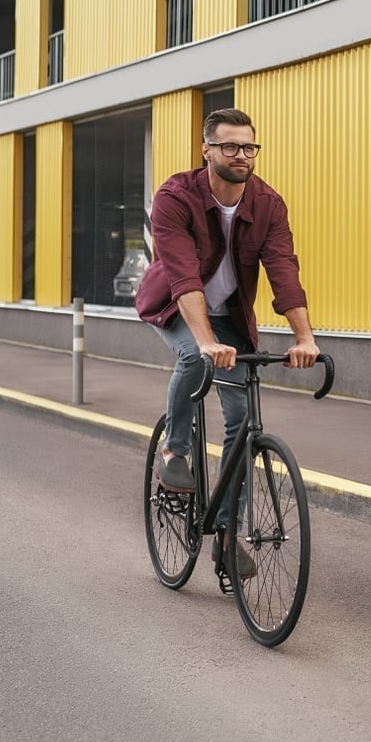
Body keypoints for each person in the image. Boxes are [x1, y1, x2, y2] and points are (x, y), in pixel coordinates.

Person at [135, 108, 320, 582]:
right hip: (176, 308)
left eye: (249, 147)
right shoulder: (175, 196)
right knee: (194, 362)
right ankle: (175, 453)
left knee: (241, 424)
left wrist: (305, 338)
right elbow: (182, 273)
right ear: (207, 150)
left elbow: (283, 269)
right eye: (231, 146)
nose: (242, 155)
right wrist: (203, 341)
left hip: (231, 318)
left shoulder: (268, 204)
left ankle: (226, 535)